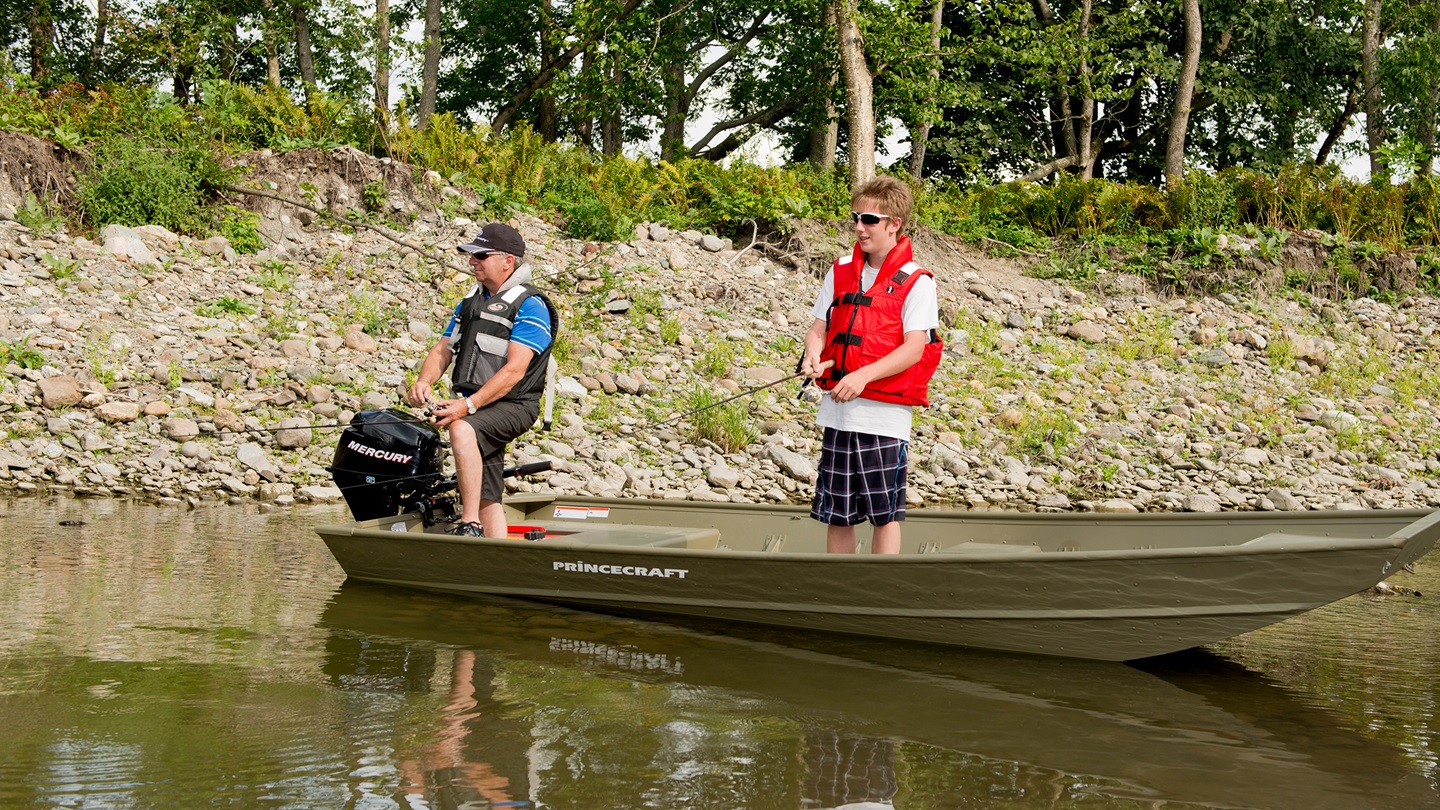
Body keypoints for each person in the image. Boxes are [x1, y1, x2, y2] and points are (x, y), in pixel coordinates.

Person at [801, 177, 942, 554]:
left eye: (869, 219)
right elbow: (818, 329)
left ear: (894, 223)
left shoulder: (917, 282)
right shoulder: (841, 269)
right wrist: (812, 354)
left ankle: (879, 593)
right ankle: (839, 592)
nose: (859, 227)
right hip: (837, 414)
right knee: (837, 513)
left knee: (885, 515)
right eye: (855, 218)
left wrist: (863, 376)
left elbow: (914, 349)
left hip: (884, 418)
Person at [405, 222, 558, 538]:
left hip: (516, 405)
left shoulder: (530, 305)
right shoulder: (471, 302)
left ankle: (469, 523)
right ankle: (494, 555)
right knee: (488, 490)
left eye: (481, 255)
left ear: (508, 261)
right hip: (479, 405)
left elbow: (515, 371)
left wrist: (466, 406)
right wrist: (424, 381)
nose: (472, 261)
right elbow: (443, 350)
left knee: (462, 430)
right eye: (470, 255)